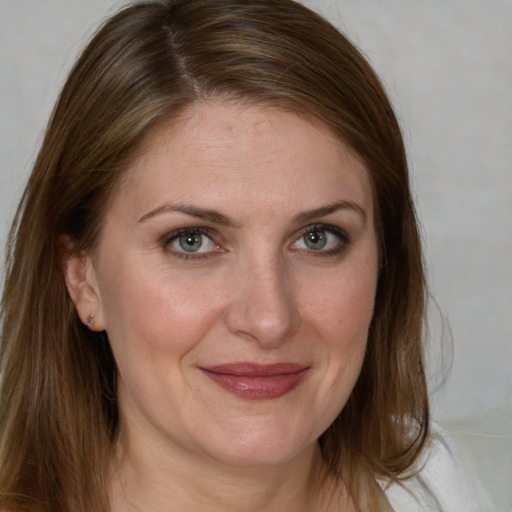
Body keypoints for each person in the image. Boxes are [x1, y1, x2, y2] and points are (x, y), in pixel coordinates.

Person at [0, 0, 477, 510]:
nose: (269, 319)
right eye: (192, 240)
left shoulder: (433, 483)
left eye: (318, 237)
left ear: (385, 263)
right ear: (83, 279)